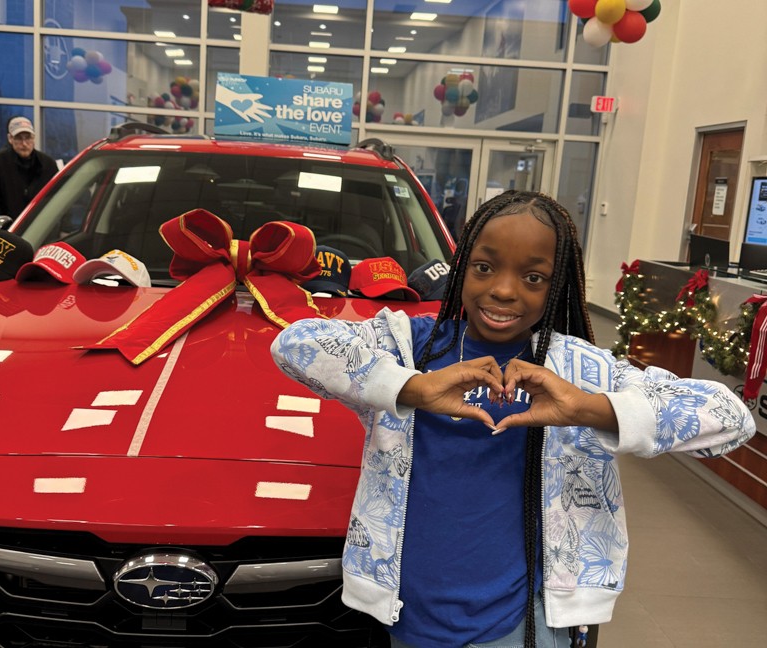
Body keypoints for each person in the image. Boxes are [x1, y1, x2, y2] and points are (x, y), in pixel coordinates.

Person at [270, 190, 755, 648]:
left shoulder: (580, 369)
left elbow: (731, 418)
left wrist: (588, 408)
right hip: (411, 608)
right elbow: (294, 345)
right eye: (484, 267)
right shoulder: (411, 345)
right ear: (461, 269)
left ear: (556, 286)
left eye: (533, 278)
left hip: (524, 622)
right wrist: (414, 388)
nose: (503, 291)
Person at [0, 116, 59, 219]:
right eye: (19, 138)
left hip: (42, 225)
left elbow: (57, 196)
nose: (24, 143)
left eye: (28, 137)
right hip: (9, 226)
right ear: (10, 138)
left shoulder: (48, 164)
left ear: (33, 138)